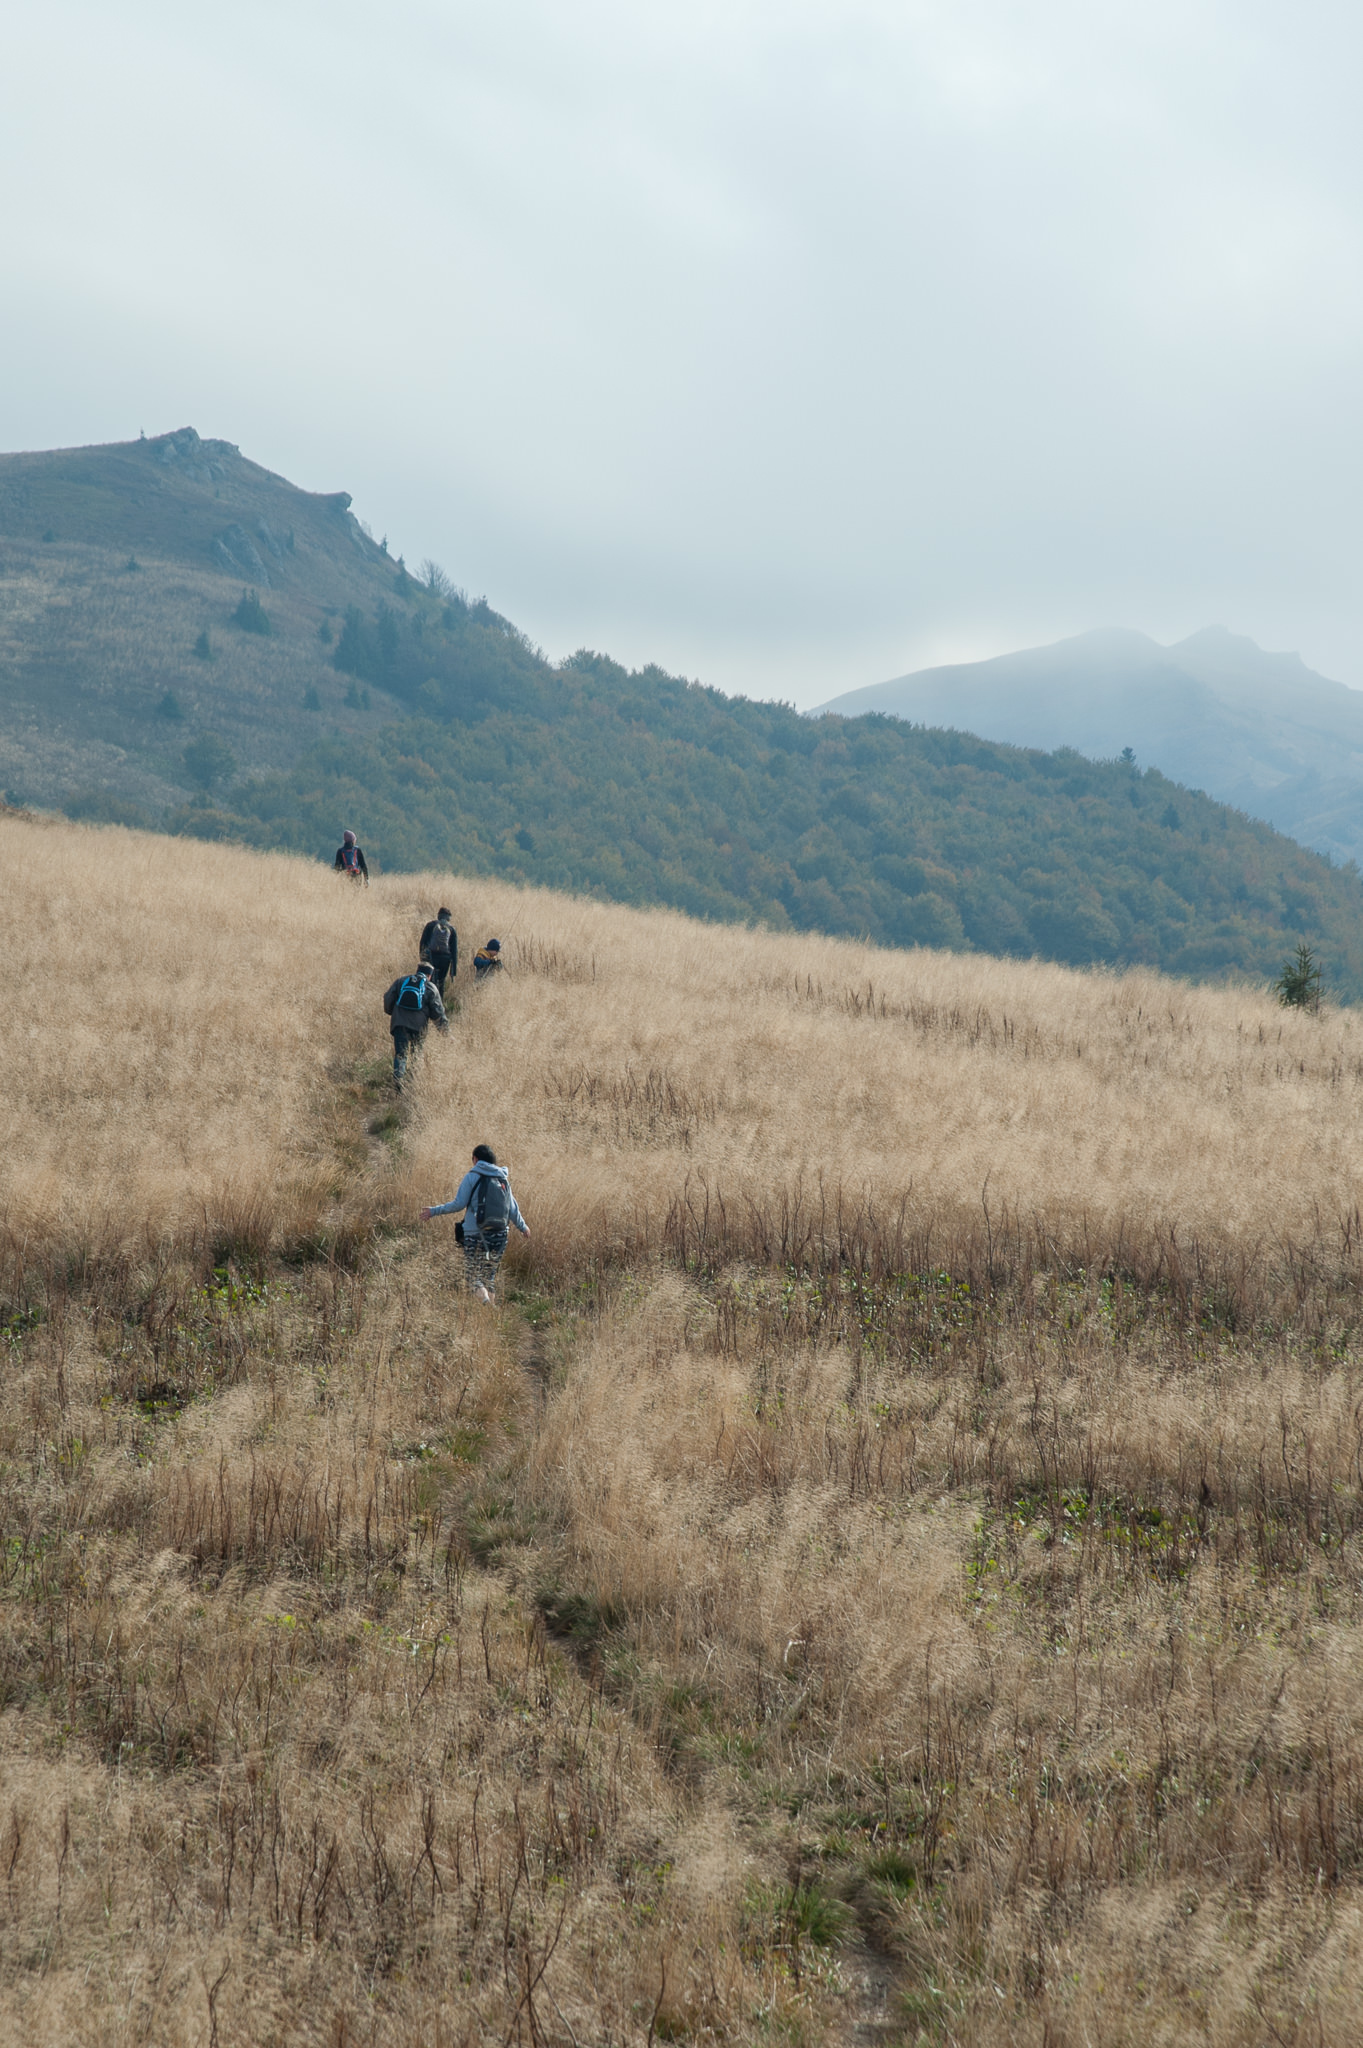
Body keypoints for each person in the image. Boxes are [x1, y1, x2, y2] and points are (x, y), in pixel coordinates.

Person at [420, 1145, 529, 1302]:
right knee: (489, 1277)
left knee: (472, 1276)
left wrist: (434, 1211)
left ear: (476, 1159)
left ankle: (485, 1302)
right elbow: (512, 1209)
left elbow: (458, 1204)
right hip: (500, 1234)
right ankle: (490, 1312)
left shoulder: (472, 1176)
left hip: (475, 1233)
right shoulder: (502, 1178)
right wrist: (523, 1227)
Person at [382, 958, 448, 1091]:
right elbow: (438, 1012)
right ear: (429, 975)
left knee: (401, 1054)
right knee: (416, 1054)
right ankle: (413, 1083)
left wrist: (392, 1013)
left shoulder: (401, 981)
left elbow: (388, 999)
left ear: (417, 971)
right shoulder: (430, 987)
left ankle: (398, 1081)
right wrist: (445, 1032)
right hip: (419, 1028)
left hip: (399, 1024)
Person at [419, 907, 458, 993]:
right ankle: (439, 1003)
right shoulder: (452, 929)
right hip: (445, 959)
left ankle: (427, 1002)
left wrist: (422, 959)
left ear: (438, 916)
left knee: (429, 982)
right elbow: (454, 951)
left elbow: (422, 943)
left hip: (431, 956)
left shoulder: (430, 925)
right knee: (441, 982)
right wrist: (453, 970)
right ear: (448, 918)